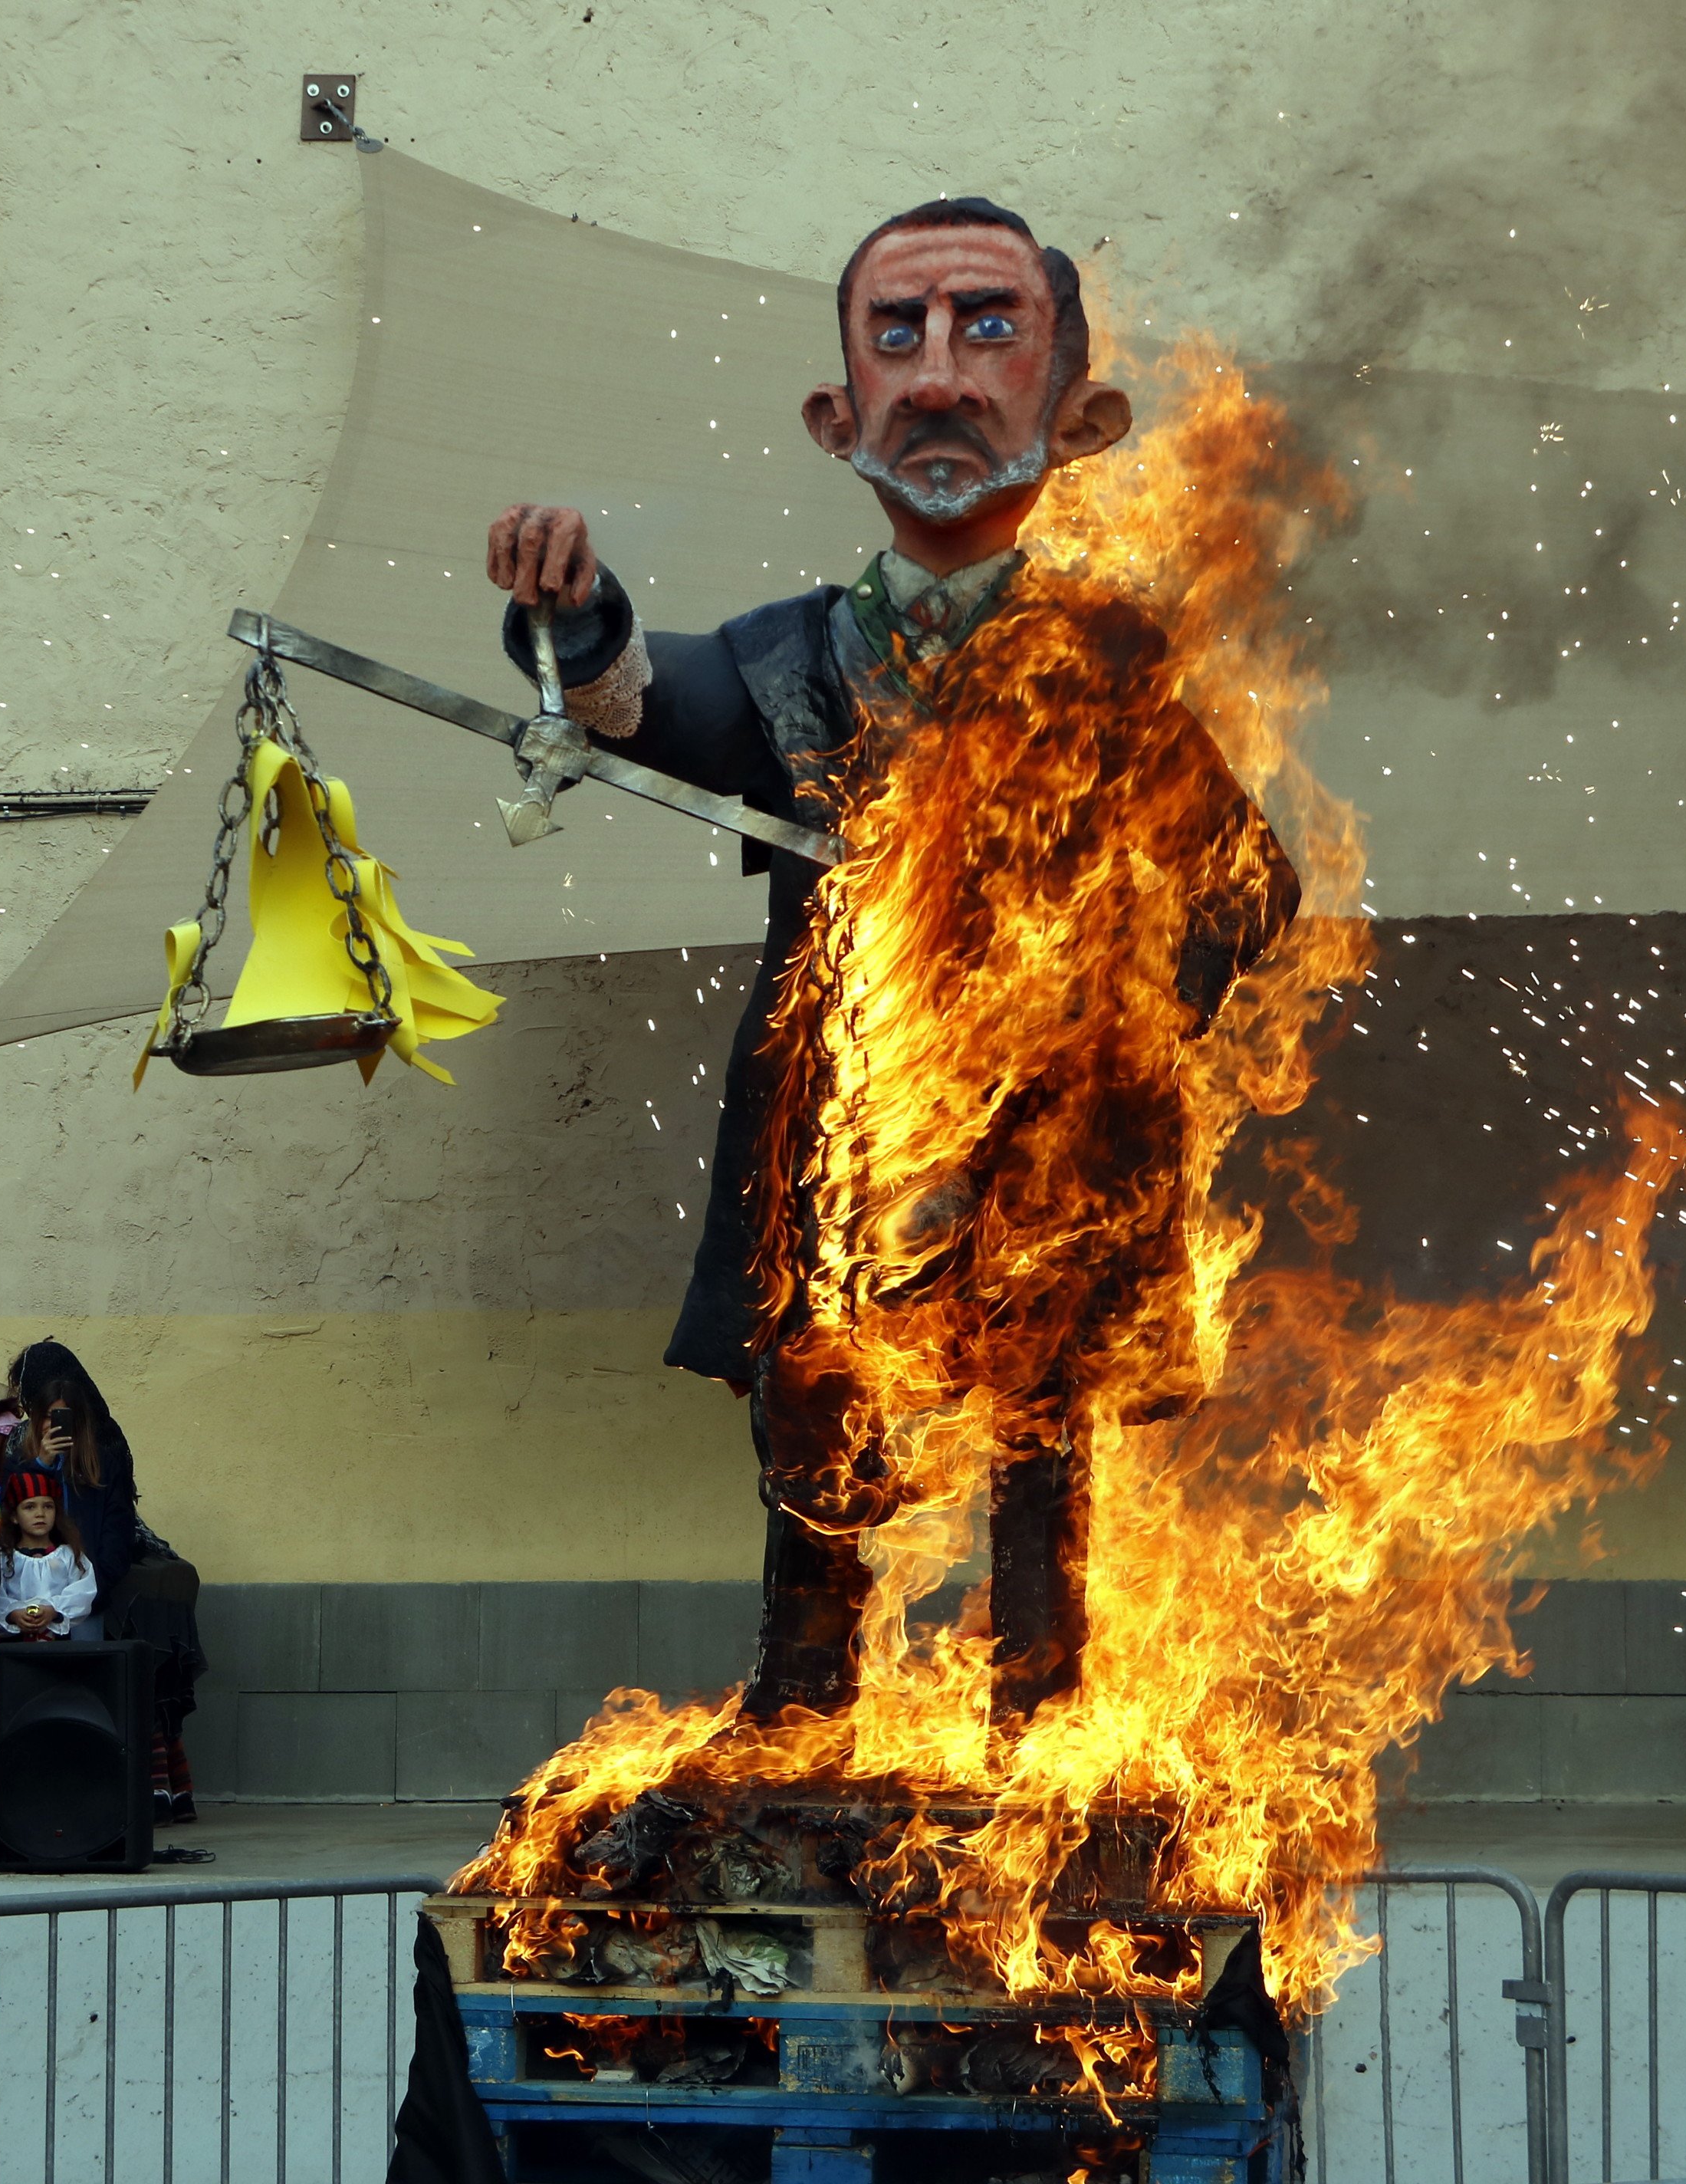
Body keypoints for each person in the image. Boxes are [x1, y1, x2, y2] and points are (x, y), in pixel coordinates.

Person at [479, 198, 1294, 1722]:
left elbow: (1247, 887)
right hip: (832, 1157)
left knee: (1041, 1462)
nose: (937, 372)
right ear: (836, 408)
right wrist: (578, 619)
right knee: (817, 1438)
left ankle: (1040, 1732)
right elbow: (649, 711)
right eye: (896, 333)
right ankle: (803, 1724)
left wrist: (1097, 996)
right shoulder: (785, 657)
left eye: (989, 327)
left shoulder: (1111, 665)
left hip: (1050, 1171)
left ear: (1077, 409)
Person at [7, 1340, 205, 1824]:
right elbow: (23, 1510)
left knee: (114, 1685)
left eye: (66, 1413)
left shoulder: (106, 1447)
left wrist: (91, 1587)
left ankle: (146, 1785)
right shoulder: (23, 1446)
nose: (57, 1421)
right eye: (47, 1412)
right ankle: (61, 1787)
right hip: (35, 1588)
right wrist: (45, 1466)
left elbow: (118, 1524)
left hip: (101, 1587)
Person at [0, 1463, 97, 1644]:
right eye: (30, 1507)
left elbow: (83, 1592)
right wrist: (13, 1614)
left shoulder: (69, 1556)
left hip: (59, 1649)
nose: (40, 1514)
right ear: (14, 1516)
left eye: (48, 1506)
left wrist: (54, 1610)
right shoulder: (4, 1559)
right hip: (15, 1650)